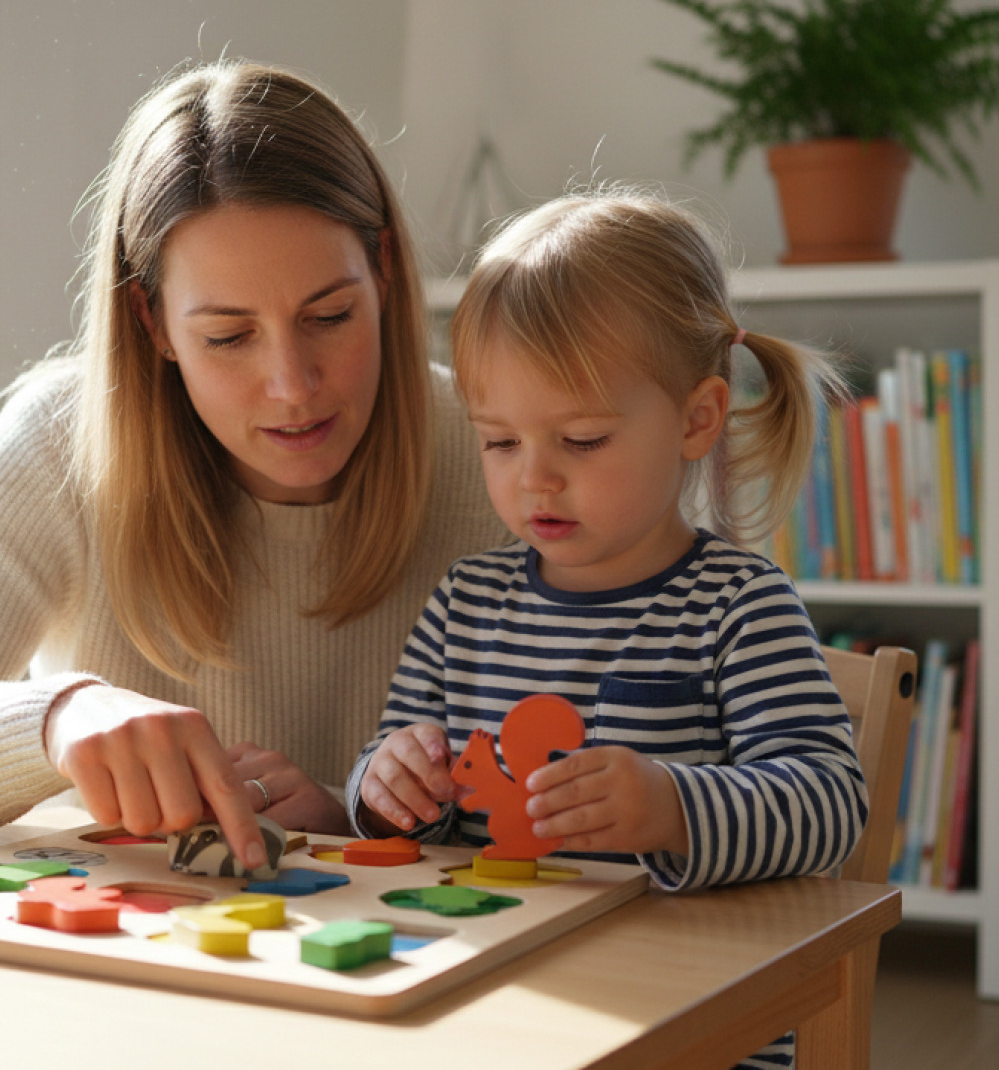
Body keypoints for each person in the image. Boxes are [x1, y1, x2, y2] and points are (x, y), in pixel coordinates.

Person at [0, 61, 505, 870]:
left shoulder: (497, 449)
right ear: (152, 321)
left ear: (386, 270)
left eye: (329, 315)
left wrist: (352, 815)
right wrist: (55, 719)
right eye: (227, 336)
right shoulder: (64, 443)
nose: (293, 385)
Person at [349, 188, 866, 888]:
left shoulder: (739, 607)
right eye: (499, 441)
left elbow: (831, 802)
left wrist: (676, 808)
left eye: (582, 439)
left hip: (670, 975)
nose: (536, 479)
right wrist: (388, 785)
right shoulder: (463, 604)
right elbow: (396, 780)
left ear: (697, 419)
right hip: (494, 950)